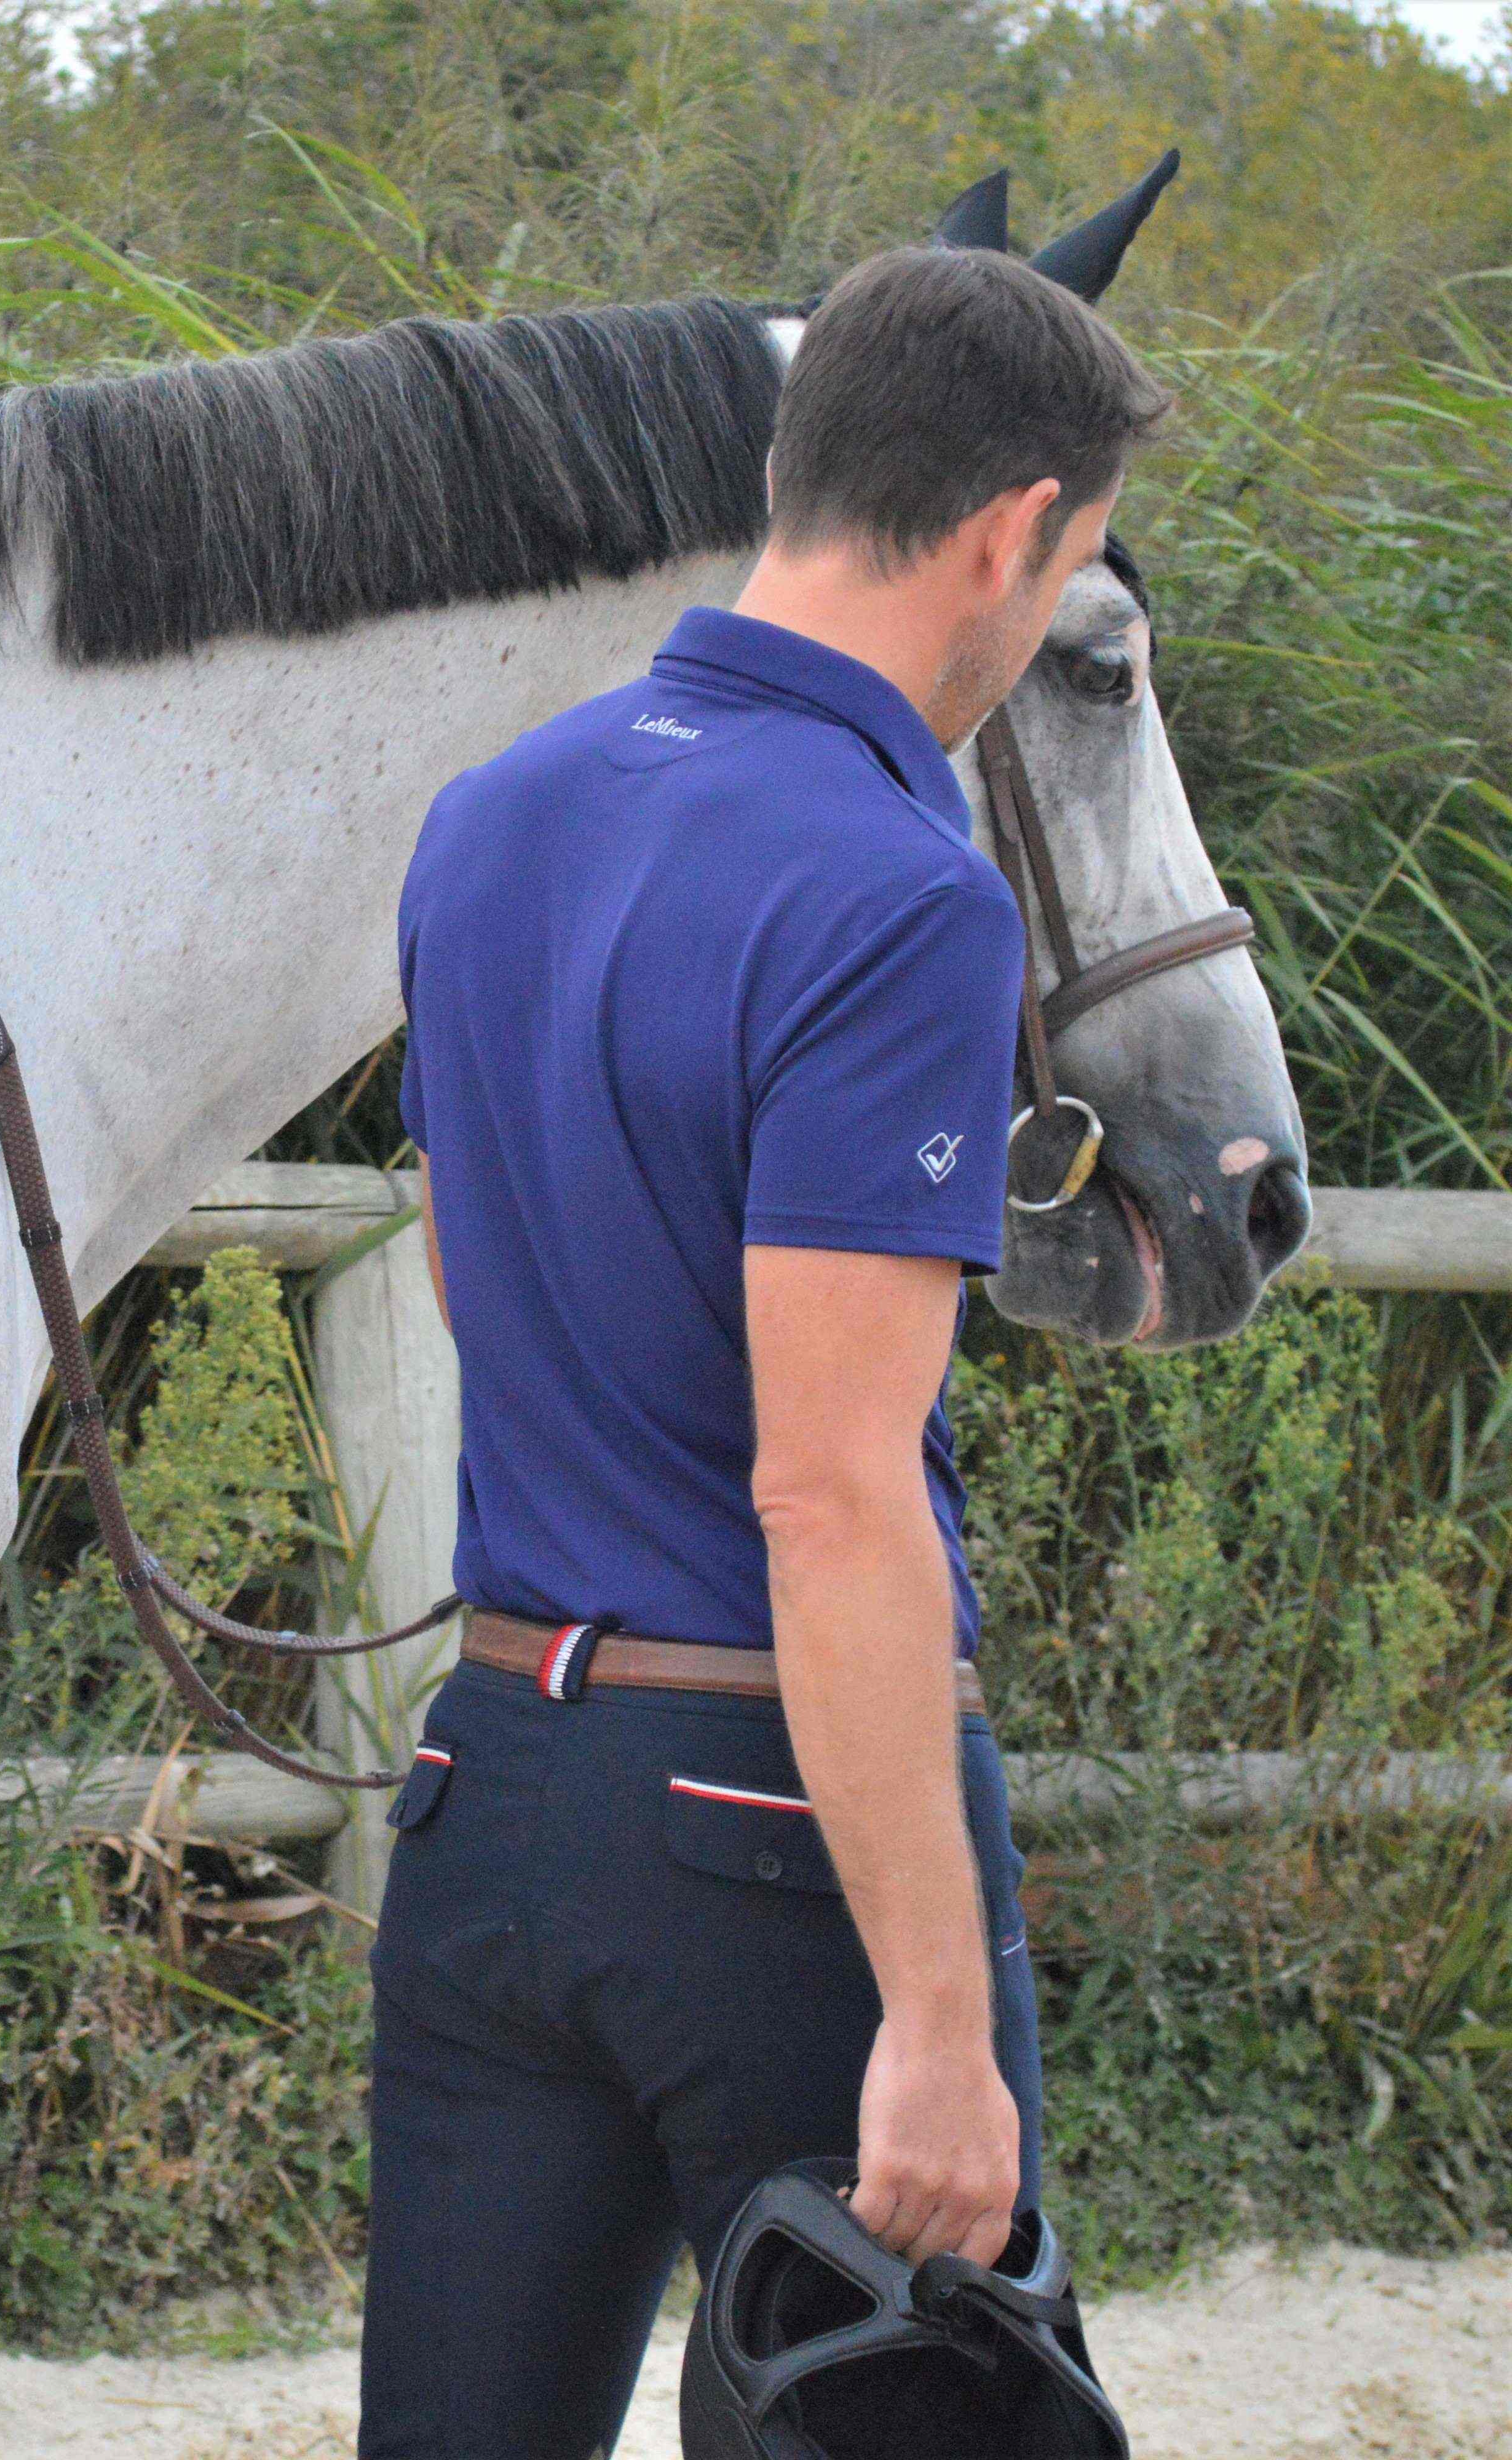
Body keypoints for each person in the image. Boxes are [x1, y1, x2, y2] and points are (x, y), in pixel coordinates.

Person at [361, 244, 1174, 2459]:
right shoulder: (899, 885)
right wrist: (931, 2008)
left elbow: (470, 1283)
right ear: (1020, 528)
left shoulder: (492, 815)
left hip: (492, 1797)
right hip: (770, 1822)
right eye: (1074, 560)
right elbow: (828, 1490)